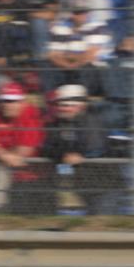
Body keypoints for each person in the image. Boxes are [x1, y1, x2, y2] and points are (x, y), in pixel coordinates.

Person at [39, 84, 121, 215]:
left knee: (102, 219)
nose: (63, 109)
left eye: (67, 105)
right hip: (84, 183)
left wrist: (77, 154)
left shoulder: (92, 121)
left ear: (81, 106)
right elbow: (48, 147)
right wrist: (64, 155)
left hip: (105, 183)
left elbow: (95, 148)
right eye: (60, 105)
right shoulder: (57, 124)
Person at [0, 82, 45, 214]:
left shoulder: (30, 116)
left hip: (34, 176)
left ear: (22, 102)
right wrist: (4, 155)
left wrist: (3, 154)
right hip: (10, 170)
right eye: (4, 101)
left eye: (13, 101)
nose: (7, 105)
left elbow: (25, 152)